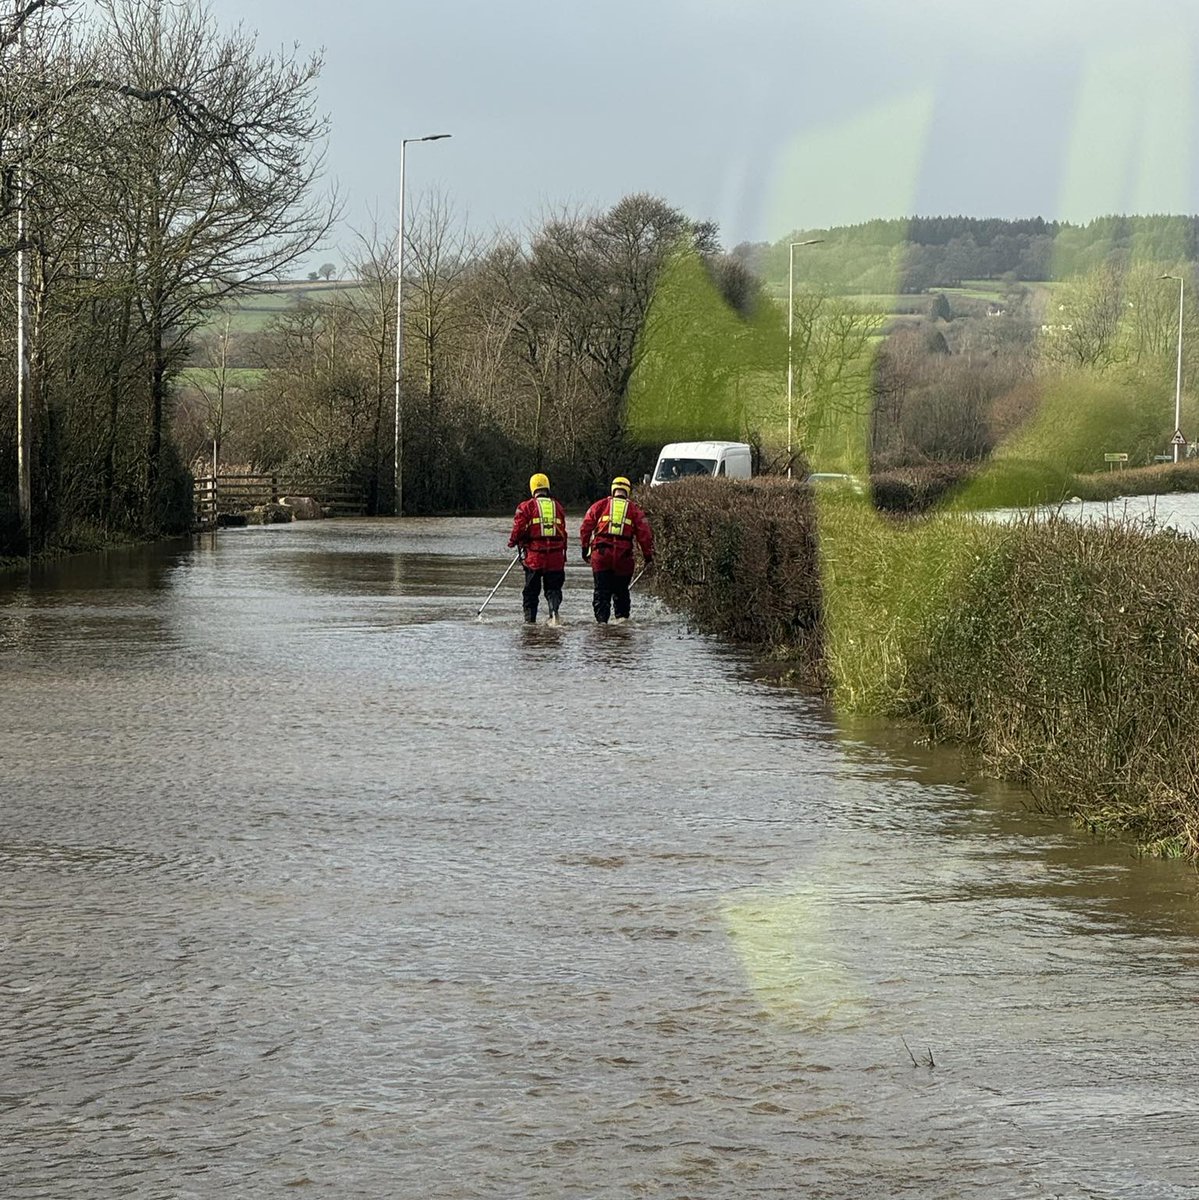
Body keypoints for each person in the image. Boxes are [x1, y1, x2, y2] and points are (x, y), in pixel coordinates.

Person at [579, 476, 654, 624]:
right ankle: (621, 625)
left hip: (601, 556)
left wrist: (584, 548)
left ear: (613, 490)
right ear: (628, 491)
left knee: (601, 593)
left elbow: (585, 528)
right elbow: (645, 535)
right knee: (621, 593)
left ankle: (602, 625)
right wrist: (648, 556)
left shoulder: (599, 506)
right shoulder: (635, 510)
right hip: (623, 558)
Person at [508, 472, 567, 625]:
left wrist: (513, 542)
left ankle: (530, 623)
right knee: (553, 590)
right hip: (555, 557)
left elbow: (519, 528)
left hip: (535, 557)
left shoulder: (526, 506)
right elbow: (563, 532)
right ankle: (554, 615)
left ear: (532, 488)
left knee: (531, 592)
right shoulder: (558, 507)